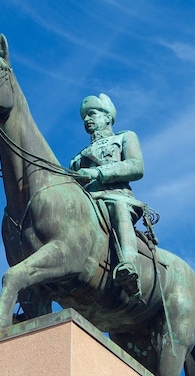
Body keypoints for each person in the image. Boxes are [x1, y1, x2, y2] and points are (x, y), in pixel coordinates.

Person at [69, 93, 146, 301]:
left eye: (92, 114)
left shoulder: (124, 138)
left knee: (118, 208)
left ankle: (129, 265)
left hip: (116, 197)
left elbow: (136, 167)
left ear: (107, 117)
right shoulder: (77, 158)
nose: (87, 120)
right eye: (84, 117)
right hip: (88, 204)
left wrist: (97, 173)